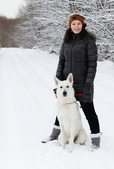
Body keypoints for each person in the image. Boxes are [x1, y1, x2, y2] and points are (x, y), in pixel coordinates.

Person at [42, 14, 101, 149]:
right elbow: (61, 61)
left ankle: (96, 140)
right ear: (70, 25)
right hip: (66, 85)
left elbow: (92, 64)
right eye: (73, 24)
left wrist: (88, 84)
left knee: (89, 112)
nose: (76, 26)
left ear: (83, 25)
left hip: (83, 83)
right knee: (62, 110)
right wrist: (58, 83)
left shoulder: (88, 41)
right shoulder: (66, 41)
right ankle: (54, 135)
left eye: (78, 24)